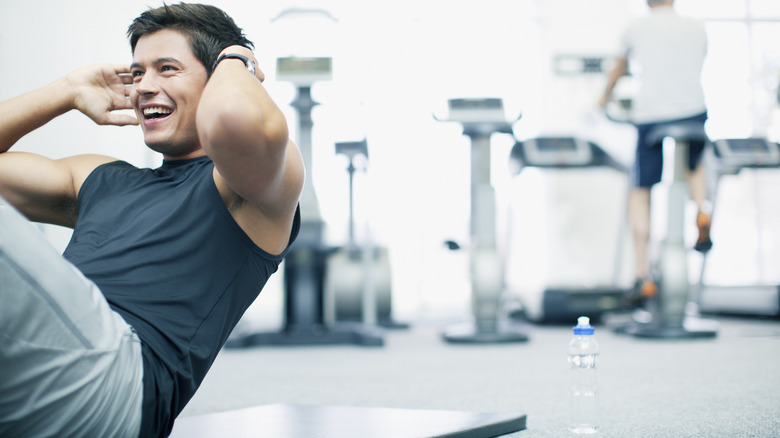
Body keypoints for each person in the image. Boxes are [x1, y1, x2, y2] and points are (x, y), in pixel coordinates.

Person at [0, 3, 303, 437]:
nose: (144, 86)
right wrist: (66, 90)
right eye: (137, 72)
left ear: (217, 77)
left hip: (118, 384)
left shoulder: (246, 192)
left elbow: (235, 121)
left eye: (167, 68)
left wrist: (237, 57)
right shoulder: (100, 179)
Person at [599, 0, 712, 304]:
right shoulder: (696, 26)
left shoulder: (636, 27)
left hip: (652, 115)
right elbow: (699, 61)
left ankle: (642, 273)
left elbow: (618, 70)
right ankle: (703, 210)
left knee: (641, 190)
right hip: (692, 111)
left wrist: (602, 99)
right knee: (694, 167)